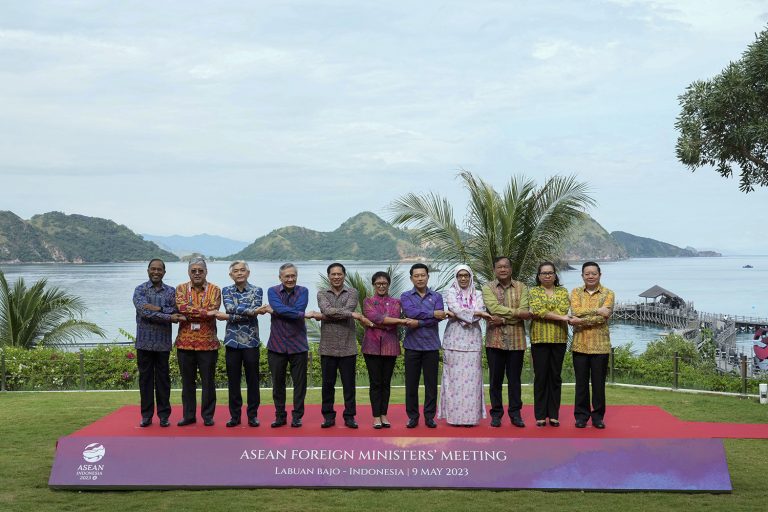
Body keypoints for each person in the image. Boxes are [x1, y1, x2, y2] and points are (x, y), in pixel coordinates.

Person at [312, 262, 372, 429]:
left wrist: (326, 314)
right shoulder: (321, 293)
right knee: (327, 385)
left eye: (339, 274)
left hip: (348, 347)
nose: (336, 277)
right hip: (327, 347)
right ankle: (328, 416)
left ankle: (350, 416)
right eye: (333, 274)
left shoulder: (352, 292)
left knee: (349, 385)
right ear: (329, 276)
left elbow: (329, 312)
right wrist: (352, 314)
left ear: (344, 275)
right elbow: (327, 310)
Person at [214, 261, 269, 428]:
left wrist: (229, 317)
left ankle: (252, 416)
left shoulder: (257, 290)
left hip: (251, 342)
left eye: (242, 270)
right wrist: (251, 312)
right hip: (232, 343)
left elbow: (233, 312)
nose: (239, 273)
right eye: (236, 271)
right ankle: (235, 416)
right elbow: (231, 308)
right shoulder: (226, 290)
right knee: (233, 381)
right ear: (231, 275)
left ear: (248, 273)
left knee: (253, 381)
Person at [132, 258, 185, 428]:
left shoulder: (171, 292)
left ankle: (164, 416)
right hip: (144, 343)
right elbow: (144, 311)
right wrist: (167, 316)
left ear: (164, 272)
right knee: (145, 380)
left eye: (159, 269)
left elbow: (176, 310)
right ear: (148, 270)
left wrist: (158, 309)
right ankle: (146, 416)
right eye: (153, 269)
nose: (156, 272)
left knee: (163, 380)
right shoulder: (140, 290)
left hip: (163, 343)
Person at [481, 256, 531, 428]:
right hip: (494, 341)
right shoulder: (487, 287)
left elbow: (525, 311)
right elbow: (493, 308)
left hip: (517, 341)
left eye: (505, 266)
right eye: (499, 267)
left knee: (514, 380)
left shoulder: (522, 287)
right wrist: (516, 314)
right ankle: (496, 414)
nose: (502, 270)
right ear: (494, 269)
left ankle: (515, 414)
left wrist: (502, 320)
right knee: (495, 381)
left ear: (511, 269)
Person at [438, 265, 490, 426]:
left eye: (466, 275)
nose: (463, 278)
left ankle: (470, 418)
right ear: (456, 277)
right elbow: (456, 308)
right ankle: (454, 418)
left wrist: (464, 315)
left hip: (472, 342)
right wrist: (476, 313)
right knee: (453, 380)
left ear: (471, 277)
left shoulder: (479, 294)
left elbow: (467, 314)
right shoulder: (450, 292)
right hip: (453, 342)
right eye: (460, 275)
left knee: (472, 381)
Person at [175, 257, 222, 427]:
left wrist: (193, 312)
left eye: (200, 270)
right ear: (188, 272)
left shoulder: (215, 290)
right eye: (193, 270)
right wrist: (205, 313)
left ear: (206, 272)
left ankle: (208, 416)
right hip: (184, 343)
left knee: (208, 381)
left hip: (208, 343)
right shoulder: (180, 289)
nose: (197, 273)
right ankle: (188, 416)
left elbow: (213, 309)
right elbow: (181, 308)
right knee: (187, 382)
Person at [400, 263, 448, 428]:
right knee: (411, 384)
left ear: (428, 276)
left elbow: (439, 317)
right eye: (416, 276)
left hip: (431, 346)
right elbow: (410, 313)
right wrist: (431, 314)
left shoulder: (436, 296)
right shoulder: (406, 296)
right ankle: (413, 417)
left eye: (423, 275)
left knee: (431, 384)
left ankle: (429, 417)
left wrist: (418, 323)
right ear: (411, 278)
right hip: (412, 346)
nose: (420, 278)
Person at [569, 261, 614, 429]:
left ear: (600, 275)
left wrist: (580, 321)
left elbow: (603, 318)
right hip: (580, 345)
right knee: (581, 384)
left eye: (593, 273)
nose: (590, 276)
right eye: (587, 273)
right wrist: (597, 310)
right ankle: (581, 416)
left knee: (598, 384)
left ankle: (598, 417)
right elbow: (575, 312)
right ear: (582, 276)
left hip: (600, 345)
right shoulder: (575, 292)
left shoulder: (609, 293)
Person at [265, 263, 311, 428]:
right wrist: (299, 314)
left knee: (300, 384)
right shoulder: (272, 291)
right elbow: (284, 309)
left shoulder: (303, 291)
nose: (290, 279)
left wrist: (279, 311)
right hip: (276, 346)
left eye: (293, 276)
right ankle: (280, 416)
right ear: (280, 278)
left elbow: (289, 310)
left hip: (298, 345)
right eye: (287, 276)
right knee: (278, 383)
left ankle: (297, 416)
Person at [528, 261, 570, 427]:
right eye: (543, 273)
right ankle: (540, 415)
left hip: (559, 339)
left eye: (550, 273)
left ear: (555, 275)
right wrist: (558, 317)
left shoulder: (563, 291)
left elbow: (563, 309)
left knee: (555, 377)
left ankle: (553, 414)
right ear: (538, 276)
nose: (547, 275)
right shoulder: (534, 291)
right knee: (540, 377)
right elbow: (537, 310)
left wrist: (546, 313)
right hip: (539, 339)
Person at [362, 271, 404, 429]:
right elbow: (375, 317)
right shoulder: (368, 301)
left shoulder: (396, 302)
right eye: (378, 284)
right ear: (373, 285)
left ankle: (384, 414)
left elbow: (388, 320)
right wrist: (388, 321)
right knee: (375, 383)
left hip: (390, 346)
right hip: (371, 348)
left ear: (388, 285)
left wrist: (377, 323)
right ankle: (375, 416)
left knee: (386, 383)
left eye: (384, 284)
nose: (381, 286)